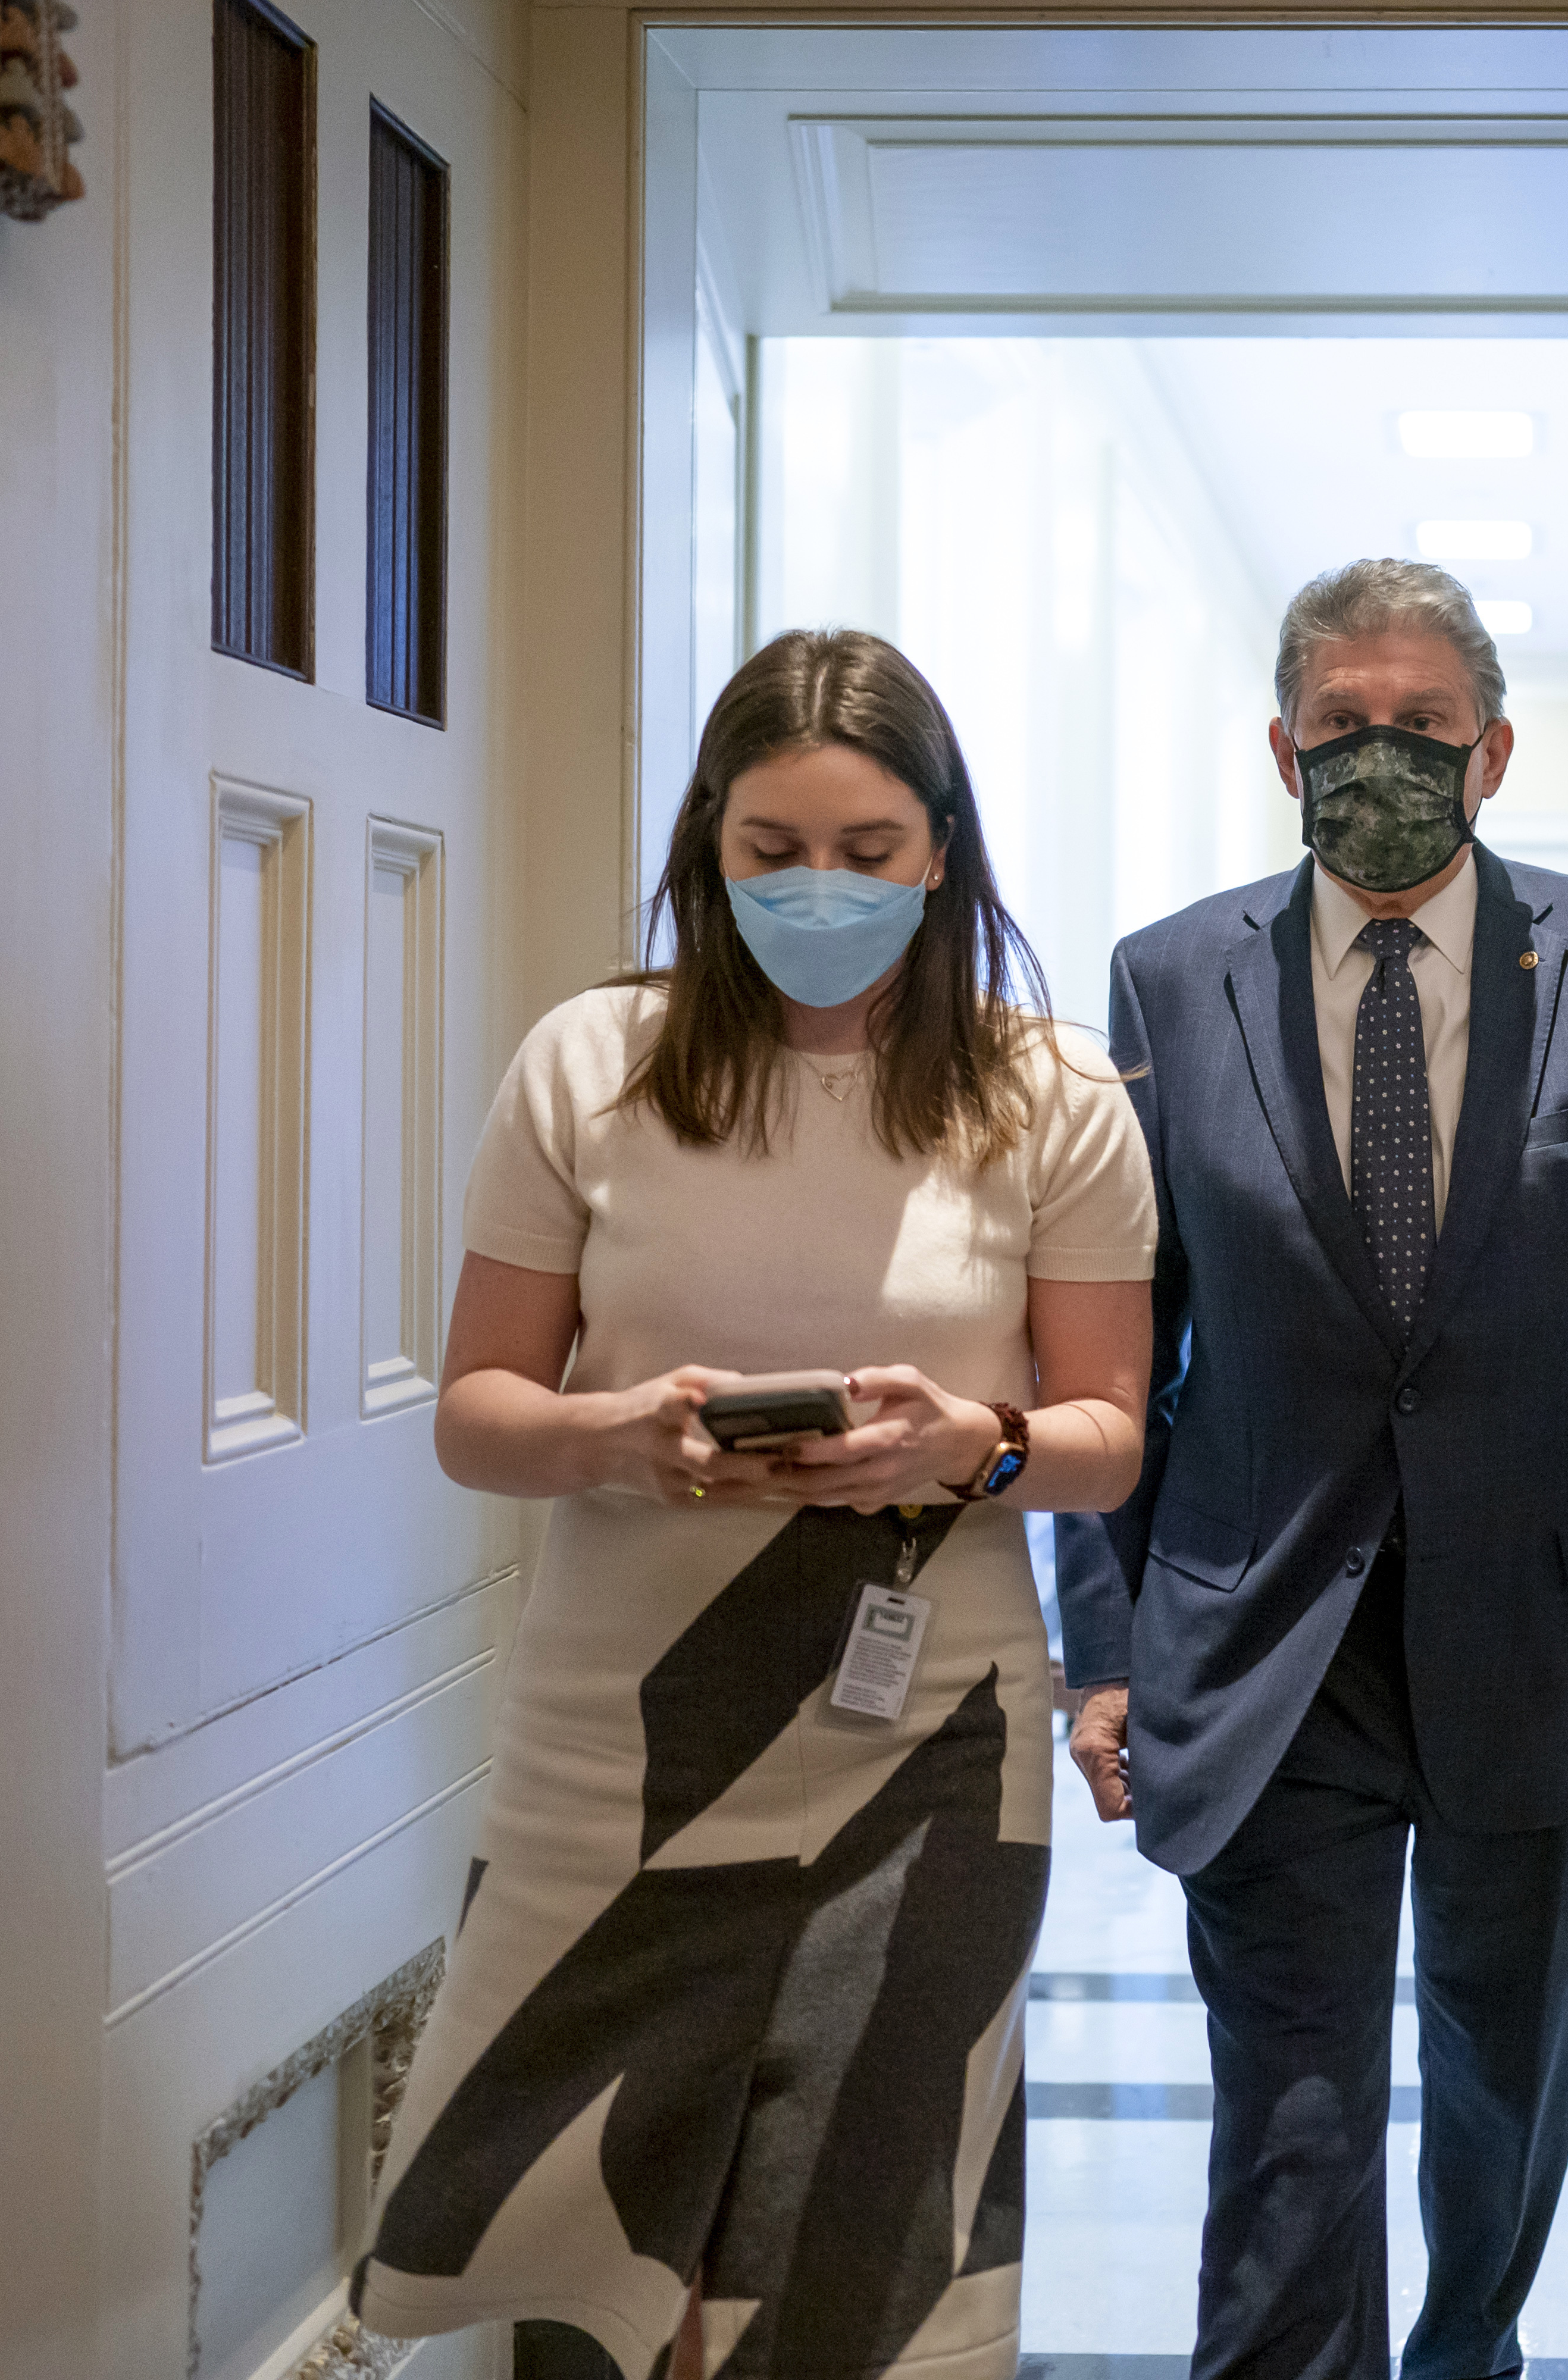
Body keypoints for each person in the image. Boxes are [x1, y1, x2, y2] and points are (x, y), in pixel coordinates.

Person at [352, 630, 1157, 2380]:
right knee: (590, 2233)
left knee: (868, 2237)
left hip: (932, 1742)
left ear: (941, 852)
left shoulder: (1058, 1092)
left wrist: (967, 1443)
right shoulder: (591, 1064)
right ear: (707, 845)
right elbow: (480, 1415)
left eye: (867, 850)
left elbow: (1107, 1437)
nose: (819, 888)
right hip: (620, 1741)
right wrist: (619, 1434)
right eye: (772, 849)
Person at [1054, 560, 1568, 2379]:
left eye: (1423, 724)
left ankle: (1468, 2352)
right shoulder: (1169, 979)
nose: (1380, 755)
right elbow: (1106, 1348)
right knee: (1292, 2122)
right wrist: (1108, 1645)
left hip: (1553, 1636)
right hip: (1264, 1642)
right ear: (1282, 748)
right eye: (1342, 724)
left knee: (1504, 2090)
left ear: (1494, 752)